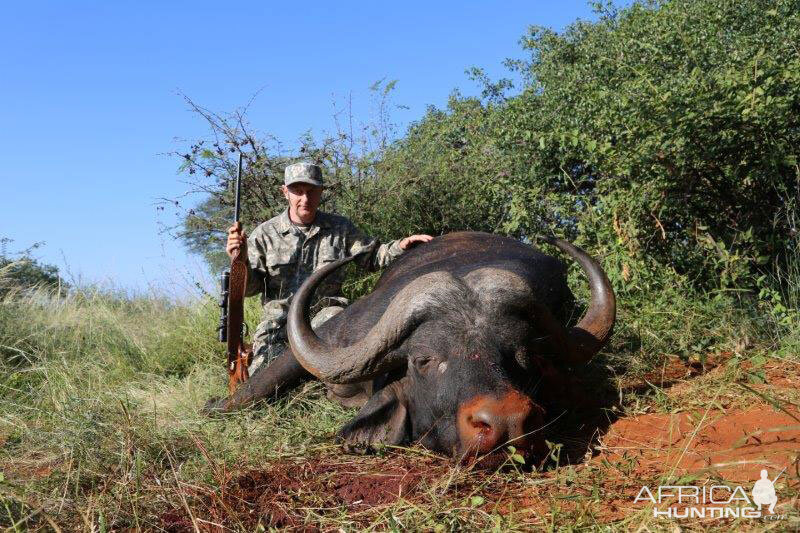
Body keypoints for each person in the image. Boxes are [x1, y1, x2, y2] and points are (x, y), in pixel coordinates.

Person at [226, 161, 433, 370]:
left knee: (346, 366)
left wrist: (401, 246)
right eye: (297, 191)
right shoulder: (264, 235)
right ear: (285, 193)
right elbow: (249, 290)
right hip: (279, 324)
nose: (305, 198)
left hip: (327, 320)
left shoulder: (340, 228)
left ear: (321, 192)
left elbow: (373, 256)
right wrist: (240, 261)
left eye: (311, 191)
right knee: (263, 383)